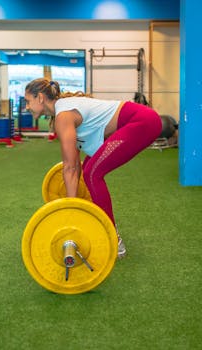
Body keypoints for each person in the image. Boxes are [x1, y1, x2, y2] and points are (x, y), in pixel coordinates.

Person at [24, 78, 162, 258]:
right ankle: (103, 226)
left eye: (28, 101)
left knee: (92, 173)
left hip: (142, 122)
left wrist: (70, 211)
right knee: (89, 167)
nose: (26, 107)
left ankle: (113, 239)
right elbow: (74, 165)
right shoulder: (63, 110)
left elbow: (70, 167)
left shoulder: (63, 115)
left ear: (40, 97)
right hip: (140, 121)